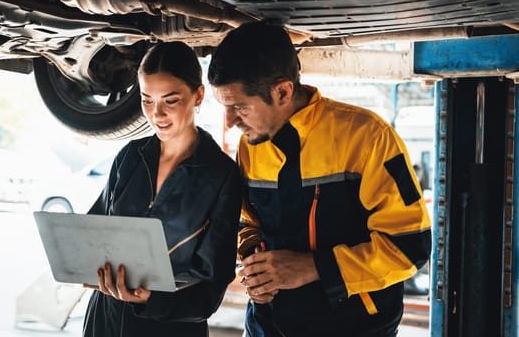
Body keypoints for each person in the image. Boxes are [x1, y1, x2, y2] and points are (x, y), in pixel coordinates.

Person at [207, 22, 432, 337]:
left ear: (282, 91)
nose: (230, 122)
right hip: (268, 327)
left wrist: (313, 267)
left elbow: (408, 248)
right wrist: (255, 266)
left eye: (239, 108)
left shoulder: (367, 138)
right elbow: (248, 224)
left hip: (355, 328)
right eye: (225, 108)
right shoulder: (252, 144)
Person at [82, 41, 243, 337]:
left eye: (170, 101)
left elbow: (212, 286)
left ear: (198, 96)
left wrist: (153, 299)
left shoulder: (222, 174)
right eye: (146, 100)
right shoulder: (130, 156)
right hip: (107, 319)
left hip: (172, 326)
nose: (156, 114)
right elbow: (95, 232)